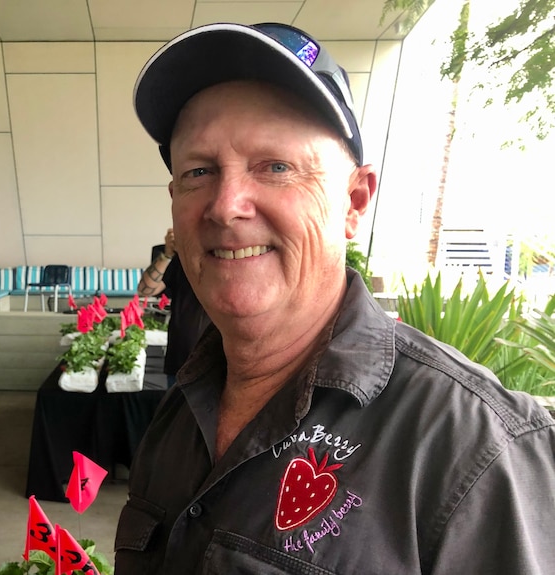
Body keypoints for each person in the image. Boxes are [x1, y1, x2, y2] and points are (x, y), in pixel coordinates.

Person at [115, 22, 555, 573]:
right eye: (199, 171)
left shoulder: (473, 451)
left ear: (353, 200)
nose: (225, 207)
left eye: (275, 167)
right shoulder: (179, 411)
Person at [138, 228, 210, 387]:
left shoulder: (227, 259)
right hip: (180, 360)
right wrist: (166, 255)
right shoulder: (179, 260)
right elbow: (145, 290)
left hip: (216, 365)